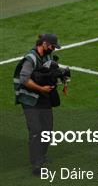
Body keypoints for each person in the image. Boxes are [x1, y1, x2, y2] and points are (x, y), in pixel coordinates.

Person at [13, 34, 62, 175]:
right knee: (35, 130)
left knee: (47, 128)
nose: (53, 49)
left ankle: (42, 155)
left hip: (43, 97)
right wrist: (41, 88)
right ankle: (36, 164)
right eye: (52, 46)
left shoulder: (47, 56)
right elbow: (24, 79)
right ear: (45, 44)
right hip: (29, 99)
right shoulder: (31, 58)